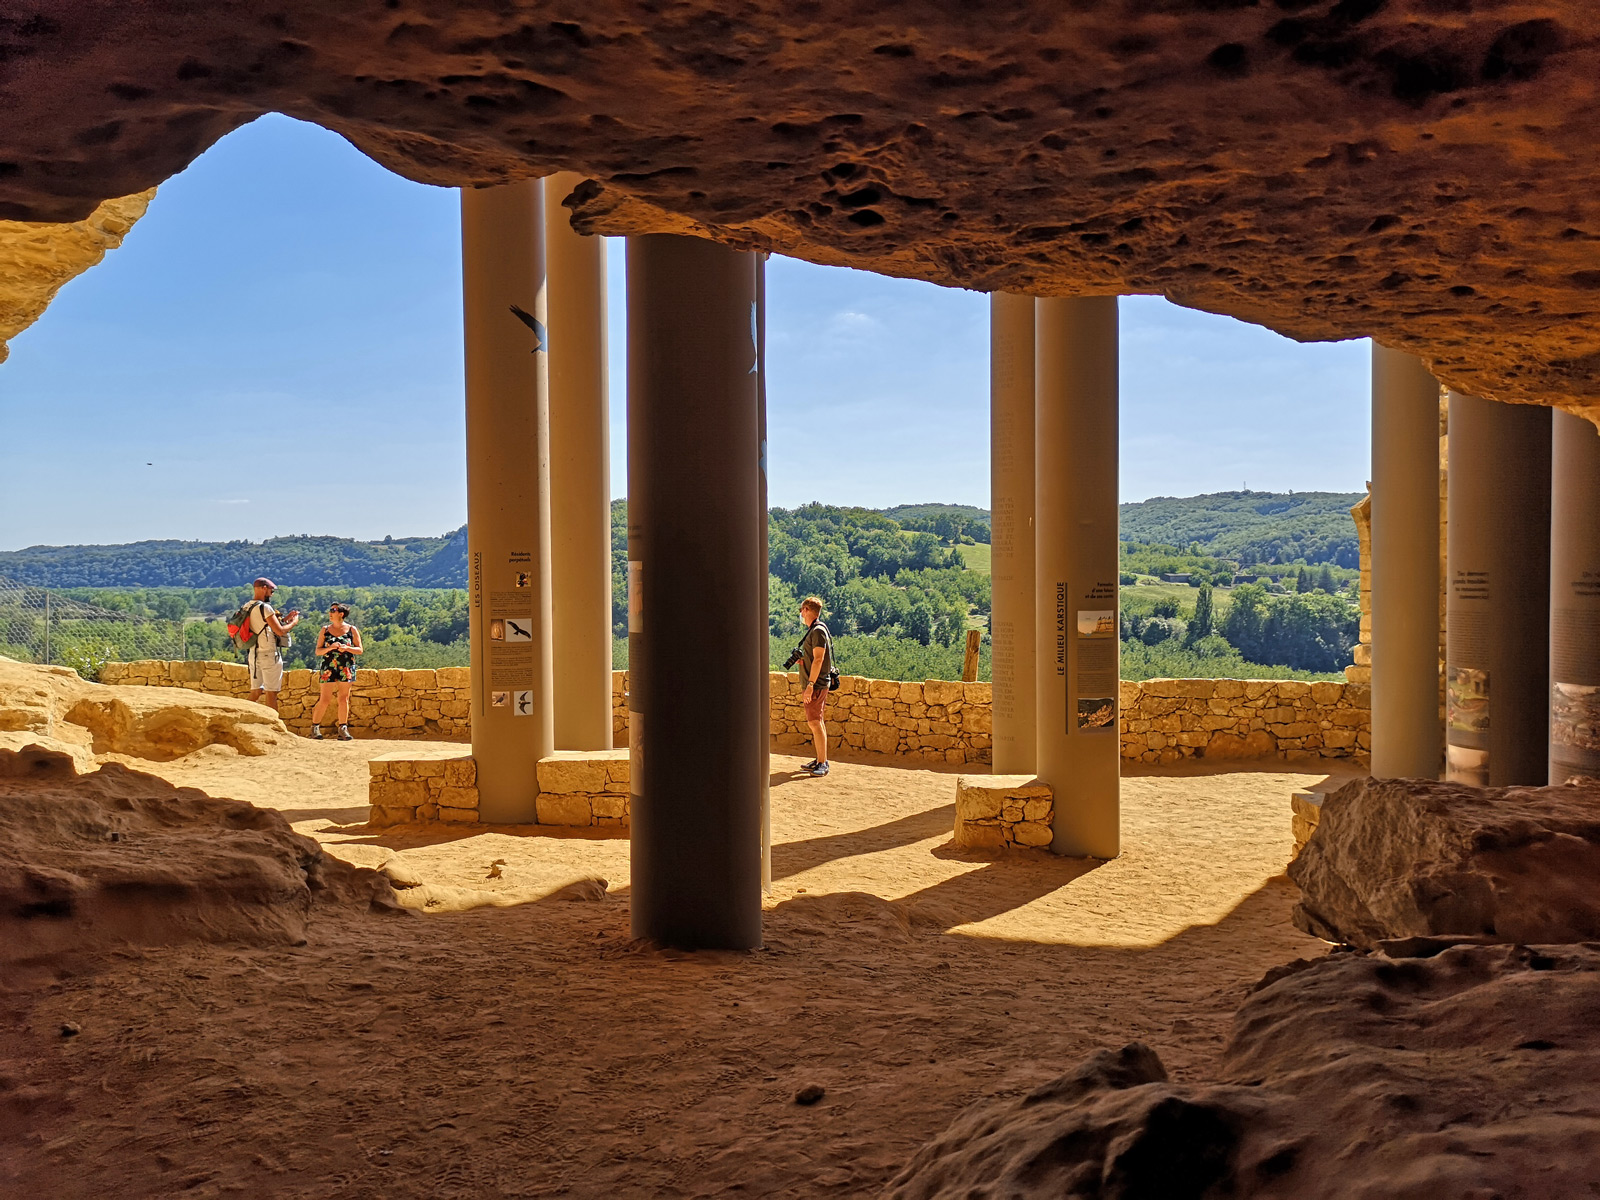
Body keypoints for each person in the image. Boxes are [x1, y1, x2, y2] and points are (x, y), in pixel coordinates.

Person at [310, 602, 363, 741]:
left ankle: (343, 728)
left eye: (333, 610)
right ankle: (315, 727)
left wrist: (347, 648)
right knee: (325, 698)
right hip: (328, 667)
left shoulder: (351, 629)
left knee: (343, 698)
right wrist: (330, 648)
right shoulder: (325, 630)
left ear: (341, 614)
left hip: (346, 666)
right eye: (330, 610)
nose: (330, 613)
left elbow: (360, 649)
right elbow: (318, 651)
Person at [244, 577, 299, 711]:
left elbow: (262, 625)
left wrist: (284, 620)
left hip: (253, 653)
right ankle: (274, 722)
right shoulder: (265, 607)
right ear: (264, 588)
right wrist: (293, 623)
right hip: (268, 654)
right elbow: (279, 631)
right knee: (271, 693)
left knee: (255, 692)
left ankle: (238, 714)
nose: (272, 594)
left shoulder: (247, 606)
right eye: (271, 591)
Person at [795, 596, 834, 777]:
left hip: (816, 685)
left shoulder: (817, 631)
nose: (801, 614)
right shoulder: (815, 630)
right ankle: (820, 759)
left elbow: (819, 659)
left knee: (814, 722)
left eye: (802, 610)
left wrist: (810, 685)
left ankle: (822, 763)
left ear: (807, 610)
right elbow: (814, 659)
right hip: (815, 683)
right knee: (817, 721)